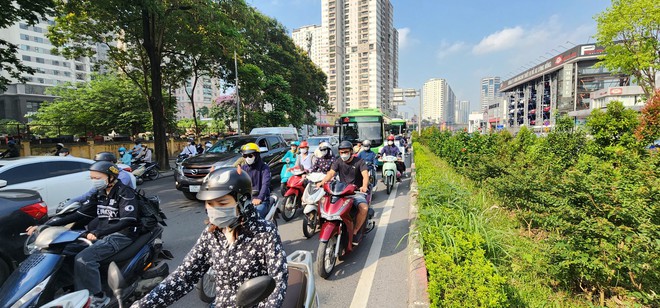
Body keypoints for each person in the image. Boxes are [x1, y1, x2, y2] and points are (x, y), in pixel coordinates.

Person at [131, 167, 288, 308]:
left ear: (243, 201)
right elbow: (184, 275)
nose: (213, 209)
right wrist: (145, 303)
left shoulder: (264, 233)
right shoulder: (211, 235)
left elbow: (278, 281)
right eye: (209, 203)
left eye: (222, 203)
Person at [29, 161, 140, 307]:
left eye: (97, 178)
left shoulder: (125, 193)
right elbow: (79, 214)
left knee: (85, 259)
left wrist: (99, 232)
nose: (95, 181)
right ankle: (70, 288)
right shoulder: (100, 193)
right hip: (101, 233)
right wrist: (45, 225)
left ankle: (97, 297)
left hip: (121, 235)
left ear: (111, 177)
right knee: (64, 252)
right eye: (92, 178)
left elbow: (128, 220)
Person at [317, 141, 370, 243]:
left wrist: (364, 186)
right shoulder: (338, 161)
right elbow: (331, 173)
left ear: (351, 151)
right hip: (341, 191)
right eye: (341, 152)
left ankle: (355, 232)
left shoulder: (360, 161)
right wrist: (322, 182)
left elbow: (365, 175)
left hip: (356, 192)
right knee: (323, 203)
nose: (343, 154)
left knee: (364, 208)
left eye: (346, 152)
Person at [65, 152, 136, 207]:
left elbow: (115, 193)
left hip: (123, 206)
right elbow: (91, 193)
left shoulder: (123, 176)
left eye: (101, 163)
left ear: (111, 163)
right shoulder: (102, 175)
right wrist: (73, 200)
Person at [240, 143, 271, 219]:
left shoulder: (264, 168)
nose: (247, 158)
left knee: (255, 218)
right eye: (245, 156)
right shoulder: (243, 168)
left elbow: (265, 184)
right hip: (246, 200)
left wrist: (260, 198)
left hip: (261, 200)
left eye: (250, 155)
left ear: (257, 155)